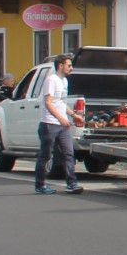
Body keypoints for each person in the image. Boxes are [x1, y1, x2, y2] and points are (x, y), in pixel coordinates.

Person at [35, 54, 83, 194]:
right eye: (69, 65)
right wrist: (59, 118)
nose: (71, 68)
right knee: (46, 155)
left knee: (69, 153)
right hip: (49, 124)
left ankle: (71, 183)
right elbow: (48, 102)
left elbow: (61, 103)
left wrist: (74, 115)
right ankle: (40, 185)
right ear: (60, 66)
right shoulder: (52, 80)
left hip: (63, 126)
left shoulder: (64, 82)